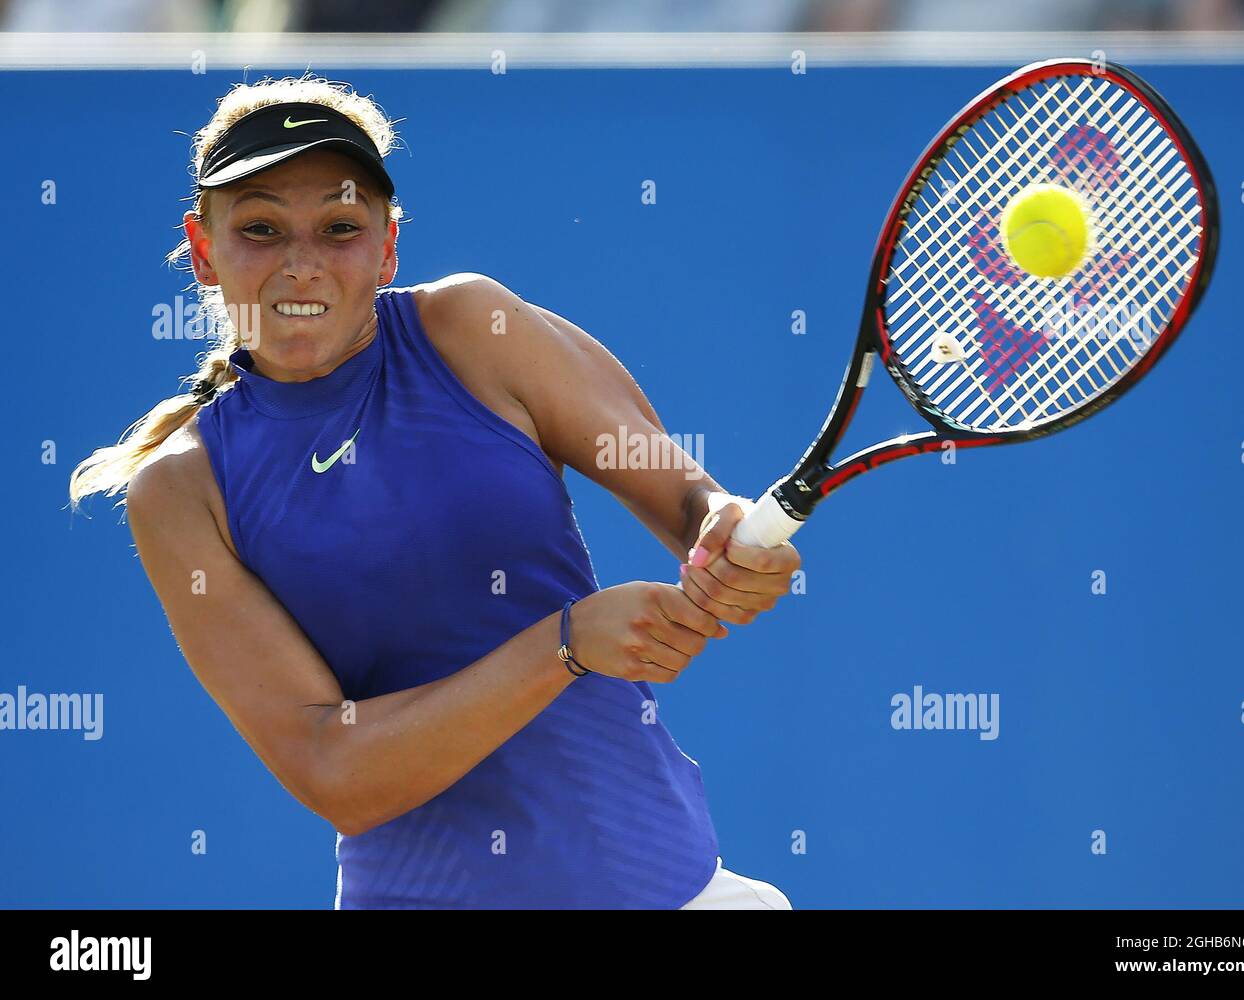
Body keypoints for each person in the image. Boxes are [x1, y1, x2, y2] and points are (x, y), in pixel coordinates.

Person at [69, 74, 799, 909]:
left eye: (339, 229)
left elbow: (688, 501)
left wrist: (726, 538)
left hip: (679, 891)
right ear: (204, 250)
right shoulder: (181, 489)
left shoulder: (474, 330)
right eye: (262, 229)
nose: (301, 264)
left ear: (387, 247)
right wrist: (565, 645)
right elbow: (332, 768)